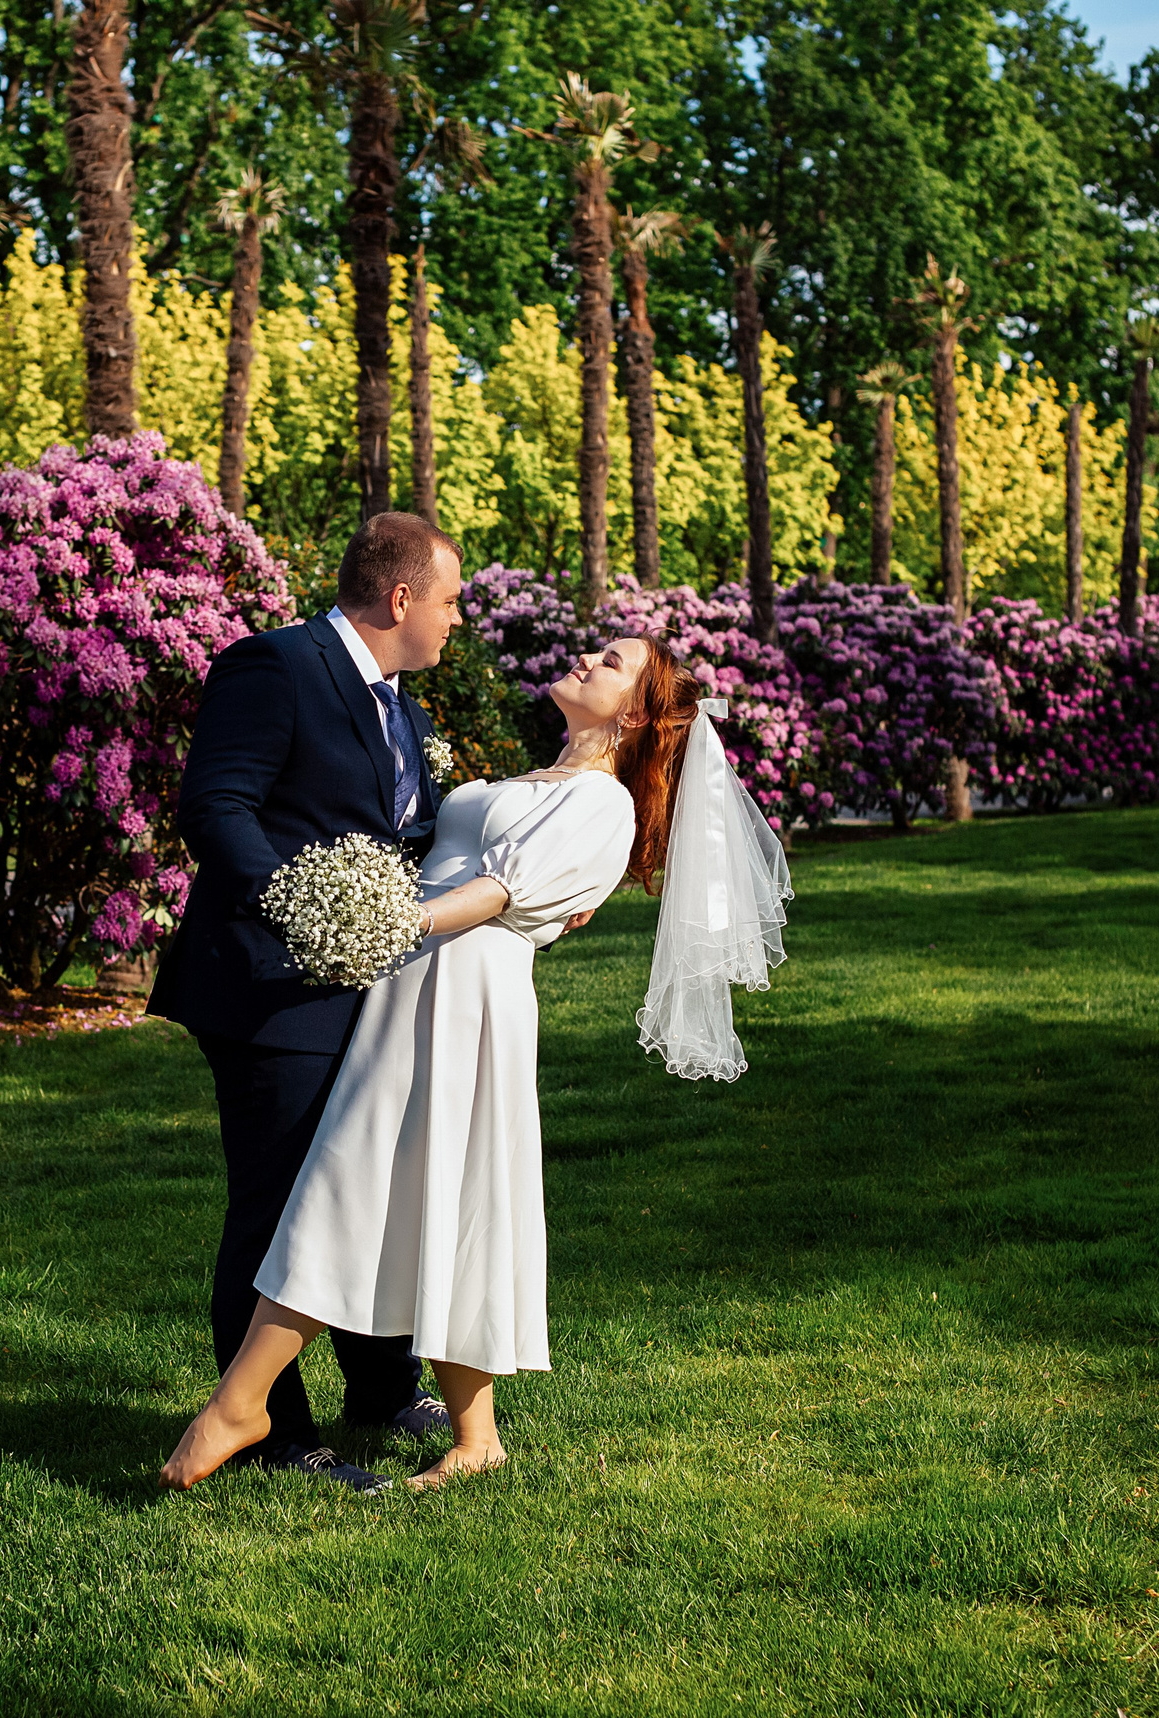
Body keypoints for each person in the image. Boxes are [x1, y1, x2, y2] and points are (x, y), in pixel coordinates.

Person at [162, 632, 791, 1493]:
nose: (585, 659)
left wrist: (391, 923)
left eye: (611, 663)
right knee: (399, 1191)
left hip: (461, 994)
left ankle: (244, 1402)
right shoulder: (538, 780)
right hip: (410, 986)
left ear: (637, 713)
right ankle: (466, 1432)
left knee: (369, 1184)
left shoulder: (602, 804)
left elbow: (503, 892)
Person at [147, 511, 467, 1493]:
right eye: (450, 599)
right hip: (266, 986)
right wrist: (299, 906)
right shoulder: (275, 666)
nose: (458, 618)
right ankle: (276, 1430)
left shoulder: (399, 707)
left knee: (367, 1187)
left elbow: (395, 833)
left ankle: (380, 1386)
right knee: (279, 1207)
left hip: (360, 986)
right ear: (400, 596)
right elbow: (216, 805)